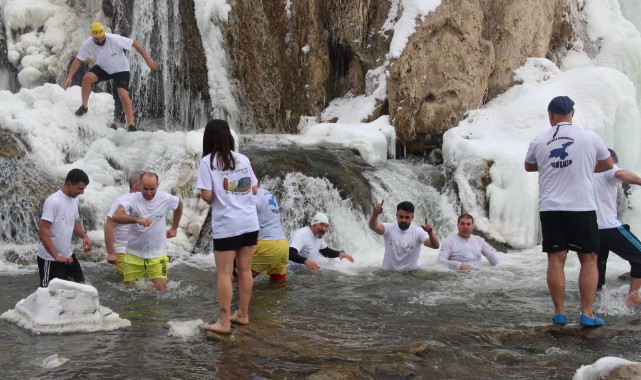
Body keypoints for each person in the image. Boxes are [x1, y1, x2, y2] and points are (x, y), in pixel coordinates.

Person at [524, 95, 613, 327]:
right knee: (589, 259)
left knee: (556, 260)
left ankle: (559, 312)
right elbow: (607, 165)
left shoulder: (539, 140)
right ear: (572, 114)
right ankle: (587, 313)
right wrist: (584, 166)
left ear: (550, 115)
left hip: (551, 207)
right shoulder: (590, 137)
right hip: (581, 206)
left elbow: (529, 166)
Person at [196, 120, 259, 334]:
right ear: (229, 137)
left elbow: (206, 196)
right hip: (250, 222)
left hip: (227, 224)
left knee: (224, 272)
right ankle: (242, 314)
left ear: (208, 138)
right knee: (244, 270)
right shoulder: (243, 158)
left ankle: (223, 322)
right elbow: (255, 188)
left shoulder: (208, 162)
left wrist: (221, 193)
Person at [63, 21, 158, 132]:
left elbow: (135, 43)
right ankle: (84, 106)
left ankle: (131, 124)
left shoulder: (114, 39)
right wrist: (69, 77)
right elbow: (78, 60)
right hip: (104, 68)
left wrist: (149, 61)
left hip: (121, 69)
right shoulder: (87, 44)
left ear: (104, 34)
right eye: (97, 39)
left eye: (102, 37)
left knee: (122, 93)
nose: (101, 40)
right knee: (87, 78)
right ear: (93, 37)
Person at [112, 172, 182, 291]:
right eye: (145, 189)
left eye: (152, 189)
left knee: (162, 291)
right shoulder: (132, 199)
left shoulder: (165, 198)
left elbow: (179, 204)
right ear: (140, 185)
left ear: (158, 185)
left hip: (157, 254)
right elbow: (116, 216)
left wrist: (174, 228)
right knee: (128, 292)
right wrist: (137, 219)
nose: (149, 193)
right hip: (133, 254)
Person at [593, 149, 641, 306]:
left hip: (590, 229)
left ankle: (595, 303)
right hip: (608, 227)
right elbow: (621, 175)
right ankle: (633, 297)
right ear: (610, 159)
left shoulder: (584, 172)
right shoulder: (608, 167)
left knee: (597, 265)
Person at [37, 169, 92, 288]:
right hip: (50, 259)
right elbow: (42, 231)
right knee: (49, 294)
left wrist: (84, 236)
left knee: (81, 287)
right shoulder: (54, 201)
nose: (82, 192)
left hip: (67, 255)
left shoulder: (74, 199)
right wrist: (56, 256)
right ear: (69, 184)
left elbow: (73, 222)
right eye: (80, 188)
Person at [368, 200, 439, 271]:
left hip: (411, 273)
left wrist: (430, 233)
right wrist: (375, 214)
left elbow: (435, 246)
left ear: (412, 217)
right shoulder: (388, 228)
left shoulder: (418, 232)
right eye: (401, 217)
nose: (403, 220)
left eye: (407, 217)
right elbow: (373, 226)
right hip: (389, 273)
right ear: (396, 215)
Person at [104, 171, 142, 275]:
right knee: (134, 285)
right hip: (122, 251)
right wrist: (111, 253)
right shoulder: (121, 201)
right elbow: (108, 226)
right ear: (134, 184)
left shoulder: (144, 202)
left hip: (139, 252)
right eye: (144, 182)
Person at [250, 180, 289, 281]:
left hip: (268, 246)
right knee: (278, 286)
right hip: (283, 245)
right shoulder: (267, 193)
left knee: (240, 279)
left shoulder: (252, 196)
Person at [289, 212, 354, 270]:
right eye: (321, 225)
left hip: (304, 271)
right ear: (314, 224)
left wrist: (339, 253)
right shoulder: (302, 234)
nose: (324, 229)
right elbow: (290, 253)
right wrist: (305, 261)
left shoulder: (317, 235)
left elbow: (325, 252)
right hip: (292, 270)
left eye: (326, 226)